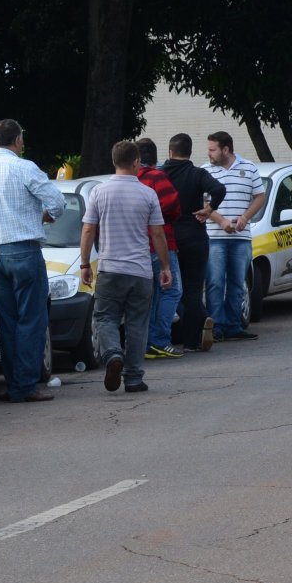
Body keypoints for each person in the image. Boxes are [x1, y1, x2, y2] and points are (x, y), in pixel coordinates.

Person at [0, 119, 65, 403]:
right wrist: (43, 216)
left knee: (6, 321)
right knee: (31, 319)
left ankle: (14, 382)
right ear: (17, 140)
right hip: (24, 250)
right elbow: (57, 202)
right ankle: (25, 384)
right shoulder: (25, 167)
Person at [81, 140, 172, 393]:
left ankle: (112, 354)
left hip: (110, 269)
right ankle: (133, 378)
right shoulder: (148, 193)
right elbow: (157, 234)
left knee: (105, 317)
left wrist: (85, 263)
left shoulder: (99, 192)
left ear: (113, 161)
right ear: (136, 163)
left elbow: (89, 229)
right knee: (137, 324)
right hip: (140, 271)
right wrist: (165, 267)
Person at [160, 133, 226, 352]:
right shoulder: (197, 173)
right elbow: (219, 189)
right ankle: (192, 341)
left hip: (167, 238)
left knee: (167, 290)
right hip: (195, 238)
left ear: (170, 152)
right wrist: (209, 209)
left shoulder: (160, 175)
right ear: (189, 153)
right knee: (193, 290)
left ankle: (161, 340)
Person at [201, 131, 265, 341]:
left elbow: (259, 196)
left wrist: (245, 217)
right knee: (215, 282)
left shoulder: (249, 167)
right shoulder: (205, 171)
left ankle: (233, 325)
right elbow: (202, 204)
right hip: (215, 237)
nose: (209, 154)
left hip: (241, 237)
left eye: (212, 149)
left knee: (238, 282)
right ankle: (216, 327)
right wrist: (222, 221)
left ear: (225, 149)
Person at [134, 138, 184, 359]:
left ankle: (146, 344)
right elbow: (172, 206)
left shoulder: (128, 179)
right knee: (171, 290)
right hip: (160, 243)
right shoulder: (156, 177)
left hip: (135, 246)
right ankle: (160, 340)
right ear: (154, 158)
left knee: (151, 296)